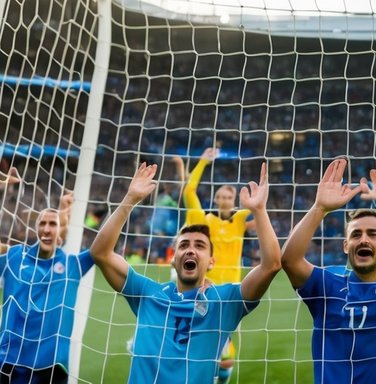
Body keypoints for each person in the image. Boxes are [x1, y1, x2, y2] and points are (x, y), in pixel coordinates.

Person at [92, 161, 281, 384]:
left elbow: (271, 265)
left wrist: (259, 210)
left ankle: (222, 372)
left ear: (211, 261)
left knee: (227, 358)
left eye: (200, 246)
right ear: (173, 259)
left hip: (223, 284)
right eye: (183, 245)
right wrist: (129, 200)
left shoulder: (225, 302)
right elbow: (101, 253)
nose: (190, 249)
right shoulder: (147, 293)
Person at [283, 159, 376, 384]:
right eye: (355, 235)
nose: (363, 239)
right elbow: (289, 260)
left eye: (373, 234)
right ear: (346, 246)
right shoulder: (328, 286)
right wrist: (319, 208)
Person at [0, 188, 91, 384]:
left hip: (52, 369)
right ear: (36, 229)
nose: (47, 229)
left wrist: (64, 208)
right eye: (42, 223)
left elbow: (75, 238)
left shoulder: (71, 265)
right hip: (12, 365)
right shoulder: (16, 256)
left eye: (53, 224)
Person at [181, 147, 252, 379]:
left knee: (226, 355)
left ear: (234, 200)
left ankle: (222, 377)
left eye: (229, 197)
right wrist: (202, 162)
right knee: (199, 339)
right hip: (204, 290)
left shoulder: (240, 219)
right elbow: (189, 191)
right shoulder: (206, 221)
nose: (224, 200)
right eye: (220, 196)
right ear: (215, 198)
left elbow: (259, 209)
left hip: (231, 291)